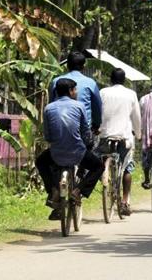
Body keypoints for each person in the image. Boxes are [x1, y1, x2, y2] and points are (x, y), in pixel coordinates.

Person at [36, 78, 104, 220]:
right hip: (77, 153)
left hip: (56, 153)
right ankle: (78, 191)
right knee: (98, 166)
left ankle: (53, 190)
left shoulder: (48, 108)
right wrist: (86, 144)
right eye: (75, 90)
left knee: (40, 162)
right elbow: (85, 132)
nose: (76, 92)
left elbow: (48, 136)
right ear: (71, 91)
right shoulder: (79, 106)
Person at [97, 68, 141, 216]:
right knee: (127, 168)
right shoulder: (131, 94)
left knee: (99, 158)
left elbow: (98, 112)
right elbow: (136, 118)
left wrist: (98, 128)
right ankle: (124, 201)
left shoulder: (103, 92)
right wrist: (139, 133)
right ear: (124, 80)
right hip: (124, 137)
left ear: (111, 79)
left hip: (105, 135)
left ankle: (104, 175)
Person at [50, 51, 102, 131]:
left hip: (59, 128)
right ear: (83, 66)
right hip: (82, 130)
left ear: (67, 65)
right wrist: (97, 124)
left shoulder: (56, 81)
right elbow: (97, 107)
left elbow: (51, 104)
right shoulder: (91, 83)